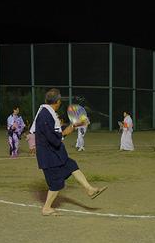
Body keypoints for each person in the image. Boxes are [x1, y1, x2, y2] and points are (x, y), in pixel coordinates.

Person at [31, 88, 107, 216]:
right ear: (58, 101)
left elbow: (56, 130)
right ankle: (46, 208)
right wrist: (65, 132)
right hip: (49, 155)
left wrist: (74, 125)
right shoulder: (45, 115)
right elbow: (53, 137)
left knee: (72, 165)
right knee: (56, 184)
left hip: (56, 153)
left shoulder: (47, 112)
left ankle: (89, 189)